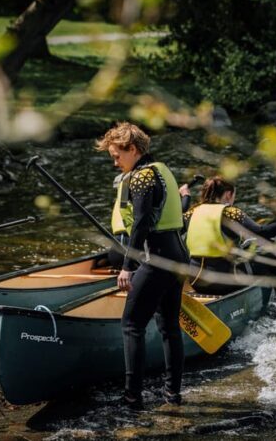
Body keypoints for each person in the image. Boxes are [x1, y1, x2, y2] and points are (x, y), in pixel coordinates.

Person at [96, 122, 188, 410]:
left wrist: (127, 266)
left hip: (156, 258)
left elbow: (141, 223)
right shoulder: (162, 170)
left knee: (132, 326)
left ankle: (132, 398)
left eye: (117, 156)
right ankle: (172, 395)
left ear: (133, 149)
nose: (115, 163)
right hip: (178, 256)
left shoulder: (140, 177)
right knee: (169, 327)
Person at [180, 176, 276, 302]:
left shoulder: (191, 213)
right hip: (225, 282)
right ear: (228, 194)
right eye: (233, 195)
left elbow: (176, 230)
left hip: (196, 282)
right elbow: (262, 233)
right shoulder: (231, 212)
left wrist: (185, 197)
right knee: (275, 258)